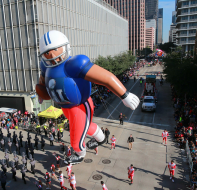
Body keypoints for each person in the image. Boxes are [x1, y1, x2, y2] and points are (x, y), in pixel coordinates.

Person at [36, 30, 140, 165]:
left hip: (80, 106)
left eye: (55, 51)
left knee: (75, 140)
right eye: (48, 54)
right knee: (86, 126)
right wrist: (41, 93)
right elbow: (43, 82)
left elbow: (106, 77)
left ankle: (80, 154)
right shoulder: (45, 66)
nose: (53, 57)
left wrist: (124, 94)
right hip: (65, 107)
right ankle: (101, 138)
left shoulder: (74, 64)